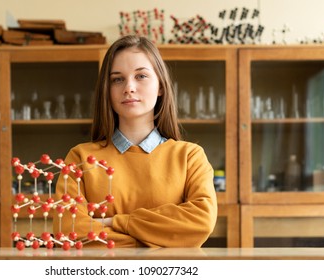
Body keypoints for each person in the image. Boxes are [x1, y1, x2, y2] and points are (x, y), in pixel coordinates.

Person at [52, 35, 217, 247]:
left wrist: (115, 222)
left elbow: (200, 222)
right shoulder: (80, 158)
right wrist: (161, 237)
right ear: (107, 91)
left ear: (160, 87)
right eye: (117, 79)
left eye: (141, 76)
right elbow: (70, 231)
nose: (129, 87)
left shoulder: (190, 157)